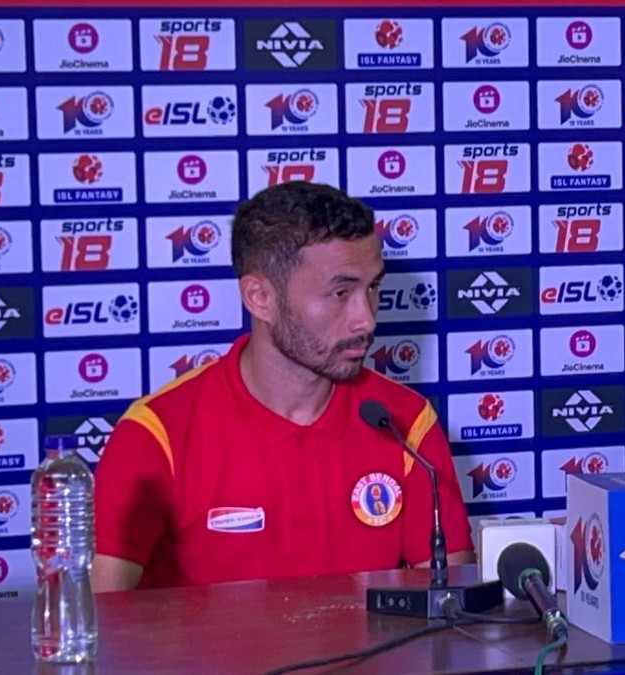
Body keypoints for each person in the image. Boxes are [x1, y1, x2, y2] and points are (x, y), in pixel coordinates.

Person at [92, 182, 474, 591]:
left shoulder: (405, 423)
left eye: (373, 288)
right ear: (260, 297)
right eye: (340, 292)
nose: (366, 319)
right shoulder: (157, 435)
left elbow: (452, 607)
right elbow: (98, 616)